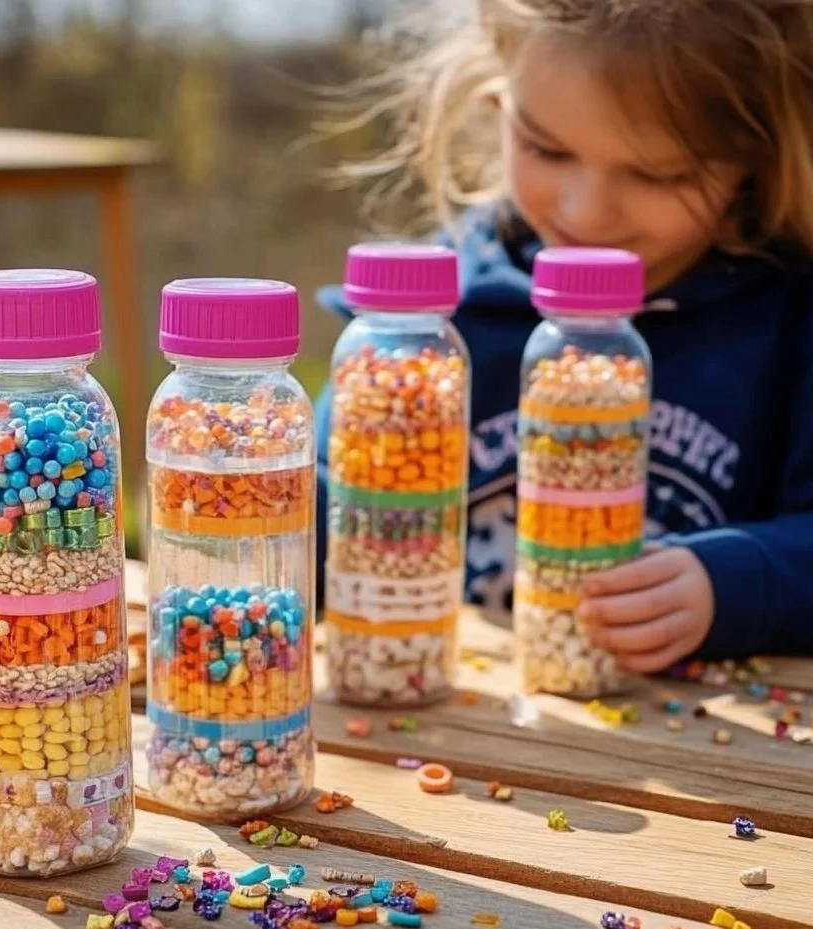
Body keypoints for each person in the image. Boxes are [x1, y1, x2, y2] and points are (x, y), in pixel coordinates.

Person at [315, 0, 813, 672]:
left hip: (689, 749)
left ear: (754, 156)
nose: (586, 213)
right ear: (501, 105)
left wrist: (736, 583)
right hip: (462, 723)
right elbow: (320, 506)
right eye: (547, 149)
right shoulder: (428, 321)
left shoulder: (787, 324)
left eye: (658, 175)